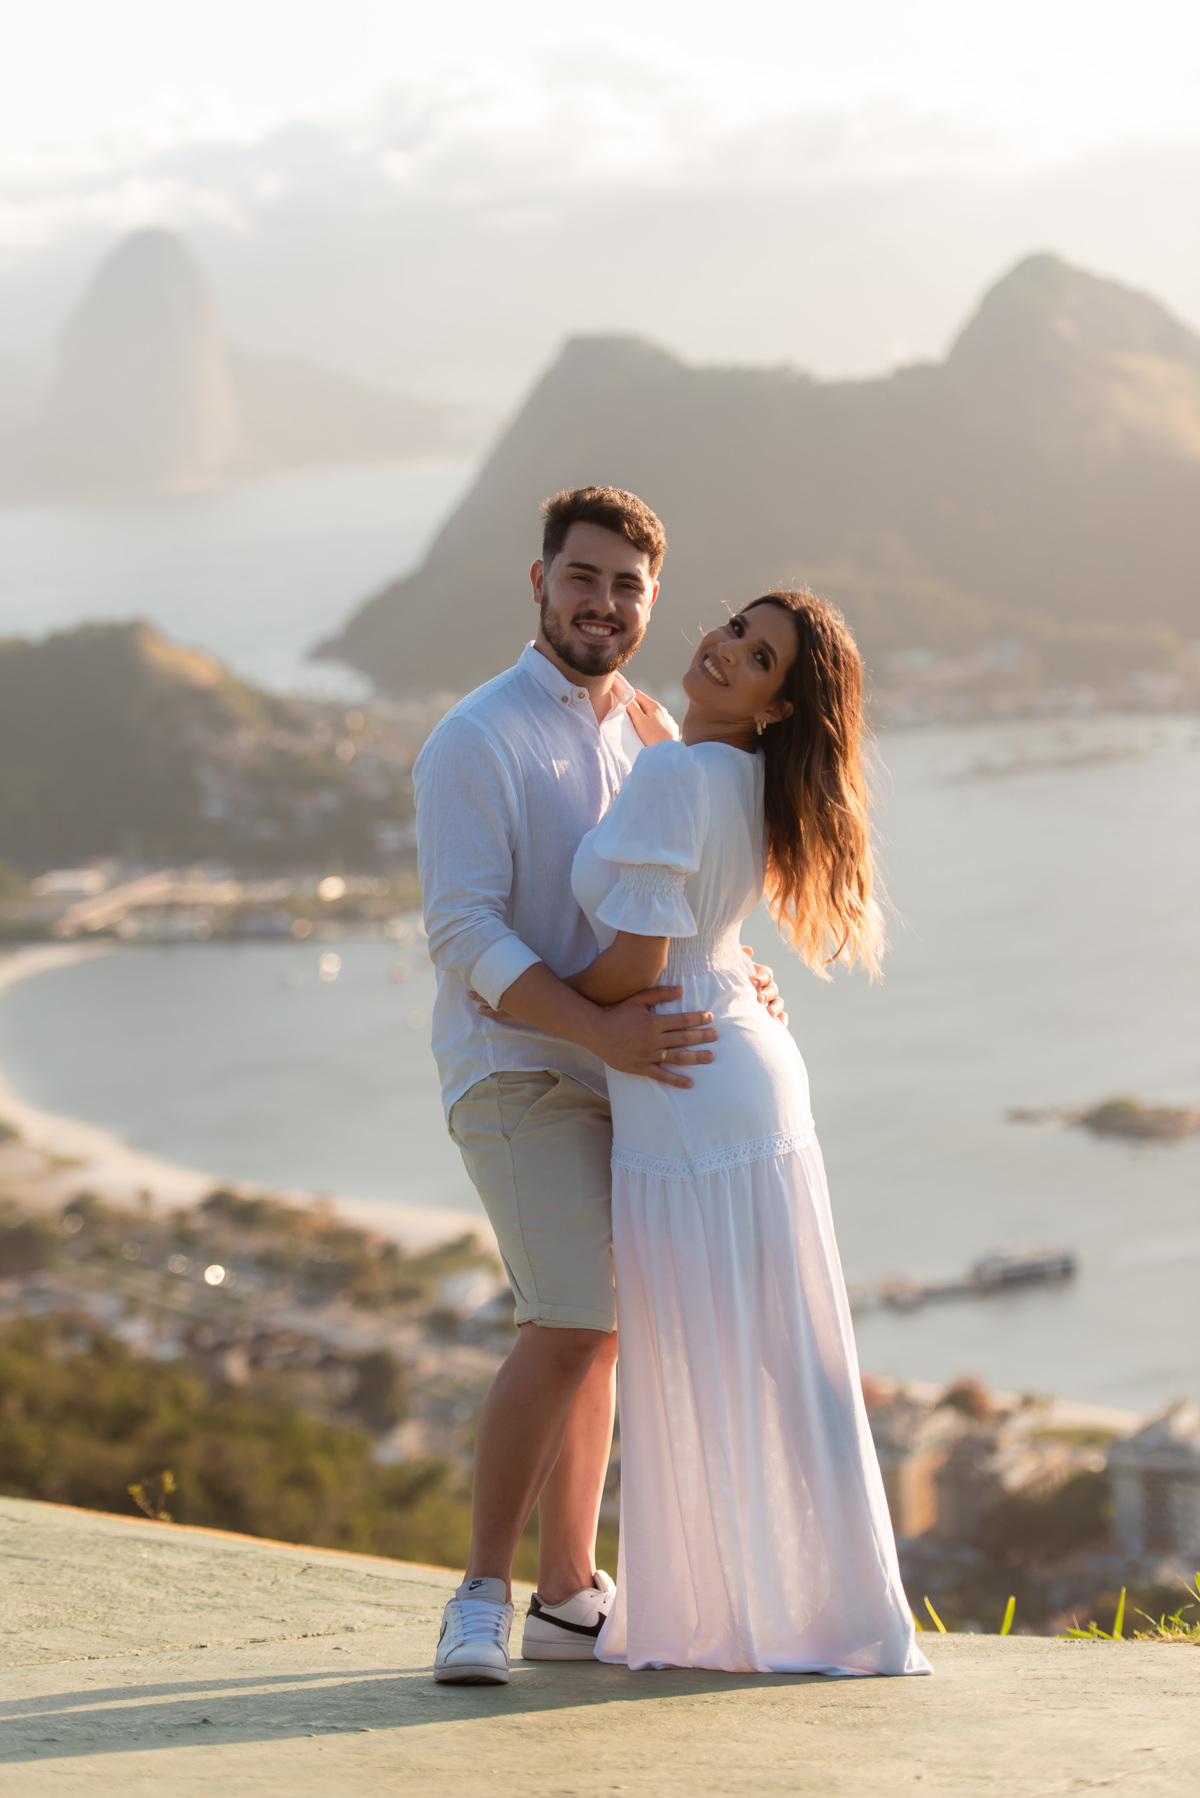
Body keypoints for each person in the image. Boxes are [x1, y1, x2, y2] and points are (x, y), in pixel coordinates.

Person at [414, 486, 783, 1684]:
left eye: (628, 585)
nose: (604, 602)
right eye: (584, 578)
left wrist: (736, 972)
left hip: (623, 1078)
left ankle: (571, 1592)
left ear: (652, 600)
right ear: (540, 583)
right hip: (515, 1070)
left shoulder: (656, 733)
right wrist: (595, 1030)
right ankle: (480, 1593)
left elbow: (673, 897)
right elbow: (464, 935)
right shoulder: (474, 736)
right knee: (568, 1317)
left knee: (603, 1331)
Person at [561, 590, 930, 1674]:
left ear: (778, 702)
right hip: (748, 1066)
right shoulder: (740, 771)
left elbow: (632, 965)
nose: (725, 649)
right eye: (734, 626)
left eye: (758, 655)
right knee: (788, 1351)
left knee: (696, 1359)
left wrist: (539, 1001)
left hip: (682, 1076)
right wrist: (661, 733)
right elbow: (690, 881)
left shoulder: (682, 773)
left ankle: (728, 1619)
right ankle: (843, 1608)